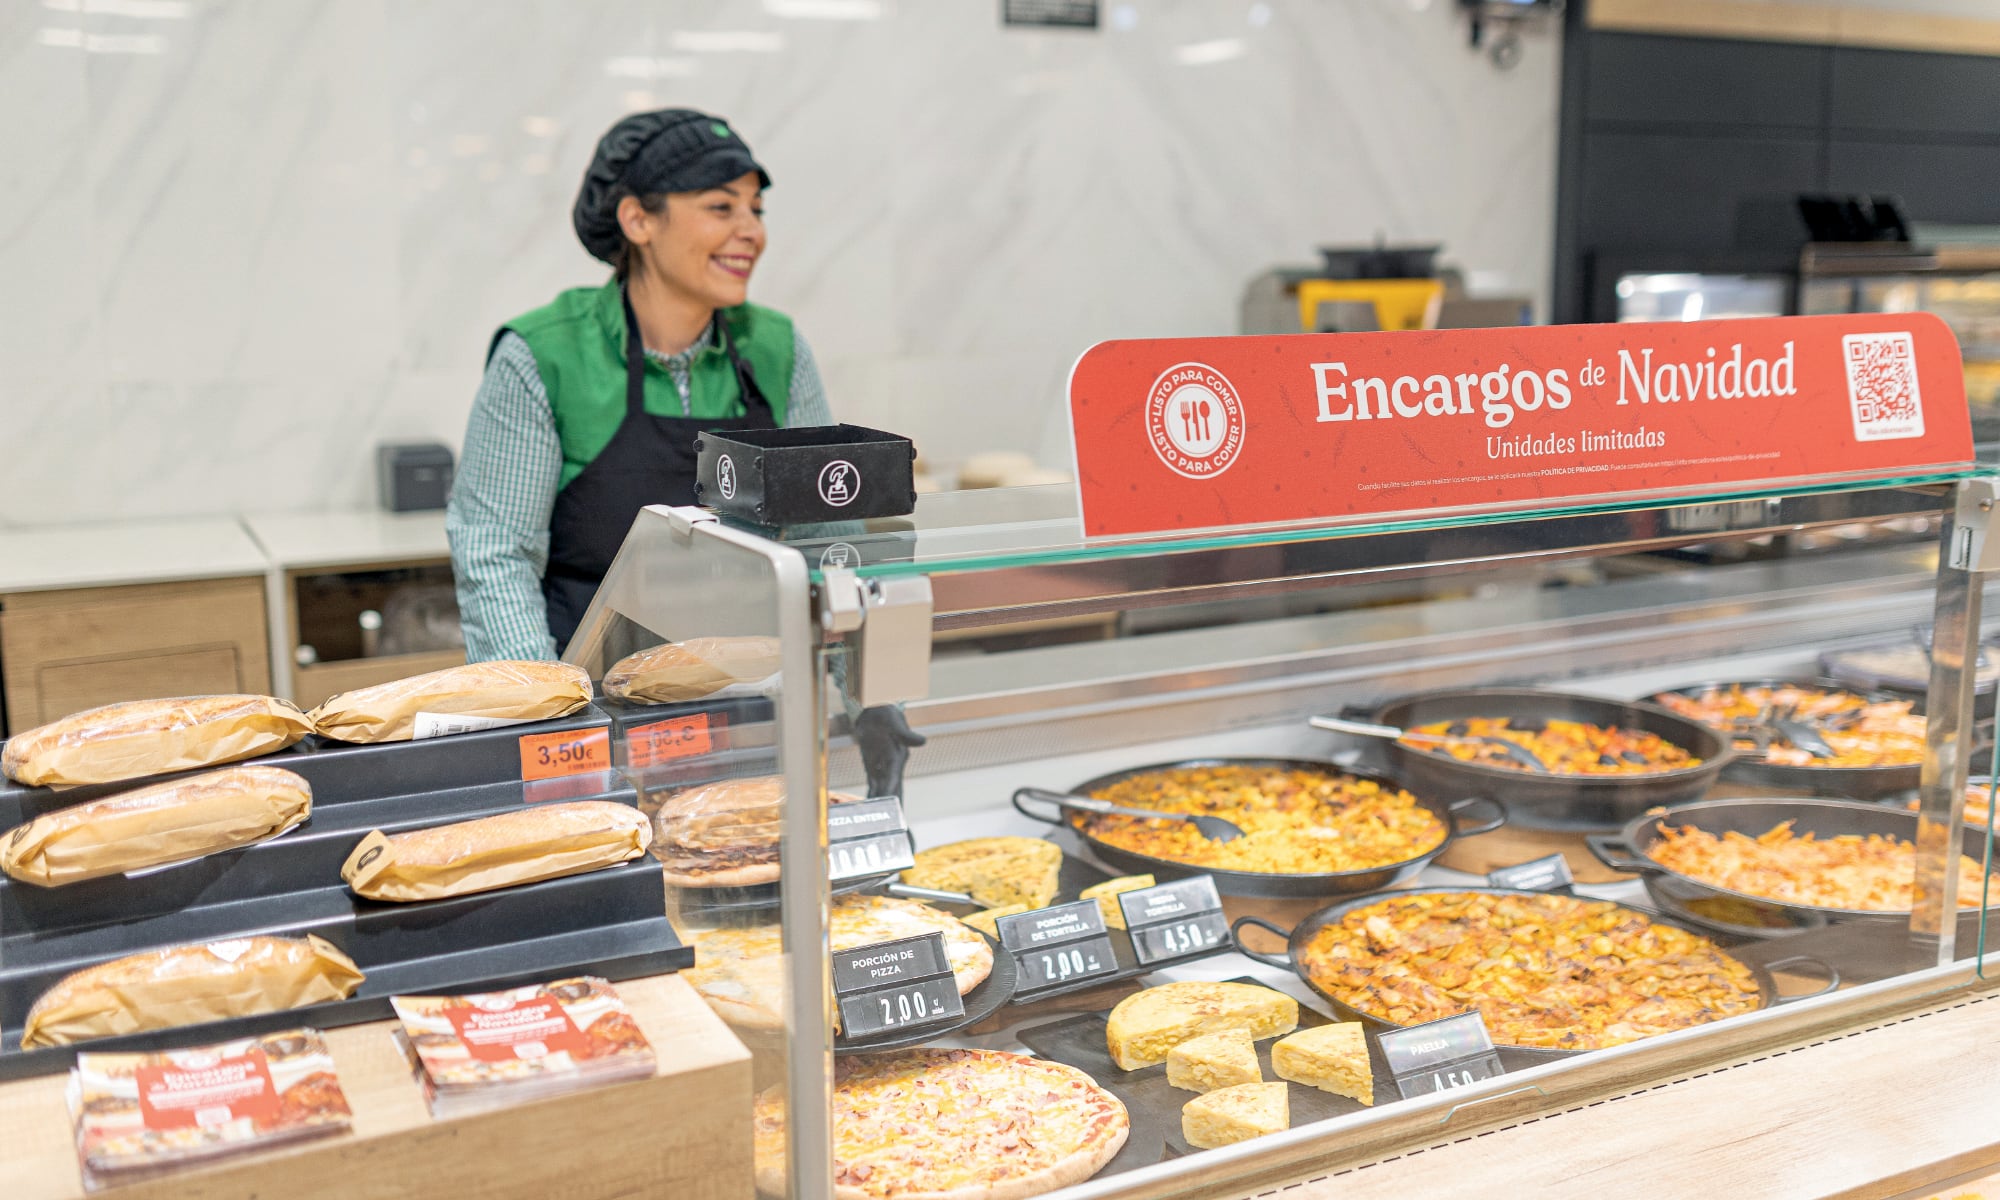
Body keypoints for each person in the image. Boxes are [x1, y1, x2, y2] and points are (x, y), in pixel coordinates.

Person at [447, 108, 831, 661]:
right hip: (591, 697)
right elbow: (496, 556)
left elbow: (826, 540)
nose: (752, 232)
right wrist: (553, 716)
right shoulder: (543, 355)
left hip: (755, 696)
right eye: (722, 207)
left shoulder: (778, 349)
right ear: (638, 220)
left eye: (757, 210)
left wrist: (856, 694)